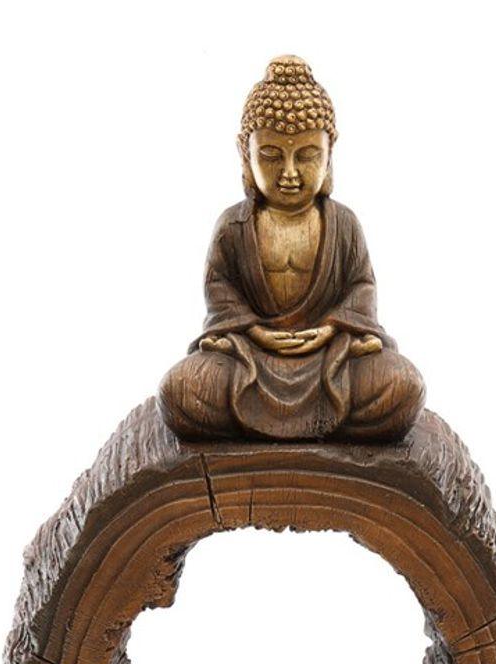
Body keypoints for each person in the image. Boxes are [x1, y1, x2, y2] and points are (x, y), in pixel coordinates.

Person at [158, 55, 425, 441]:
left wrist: (330, 329)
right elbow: (220, 289)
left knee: (402, 387)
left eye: (307, 155)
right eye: (270, 156)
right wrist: (255, 332)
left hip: (328, 360)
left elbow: (361, 288)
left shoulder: (343, 224)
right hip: (251, 360)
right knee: (180, 392)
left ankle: (289, 433)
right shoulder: (233, 226)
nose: (289, 173)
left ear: (330, 151)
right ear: (244, 152)